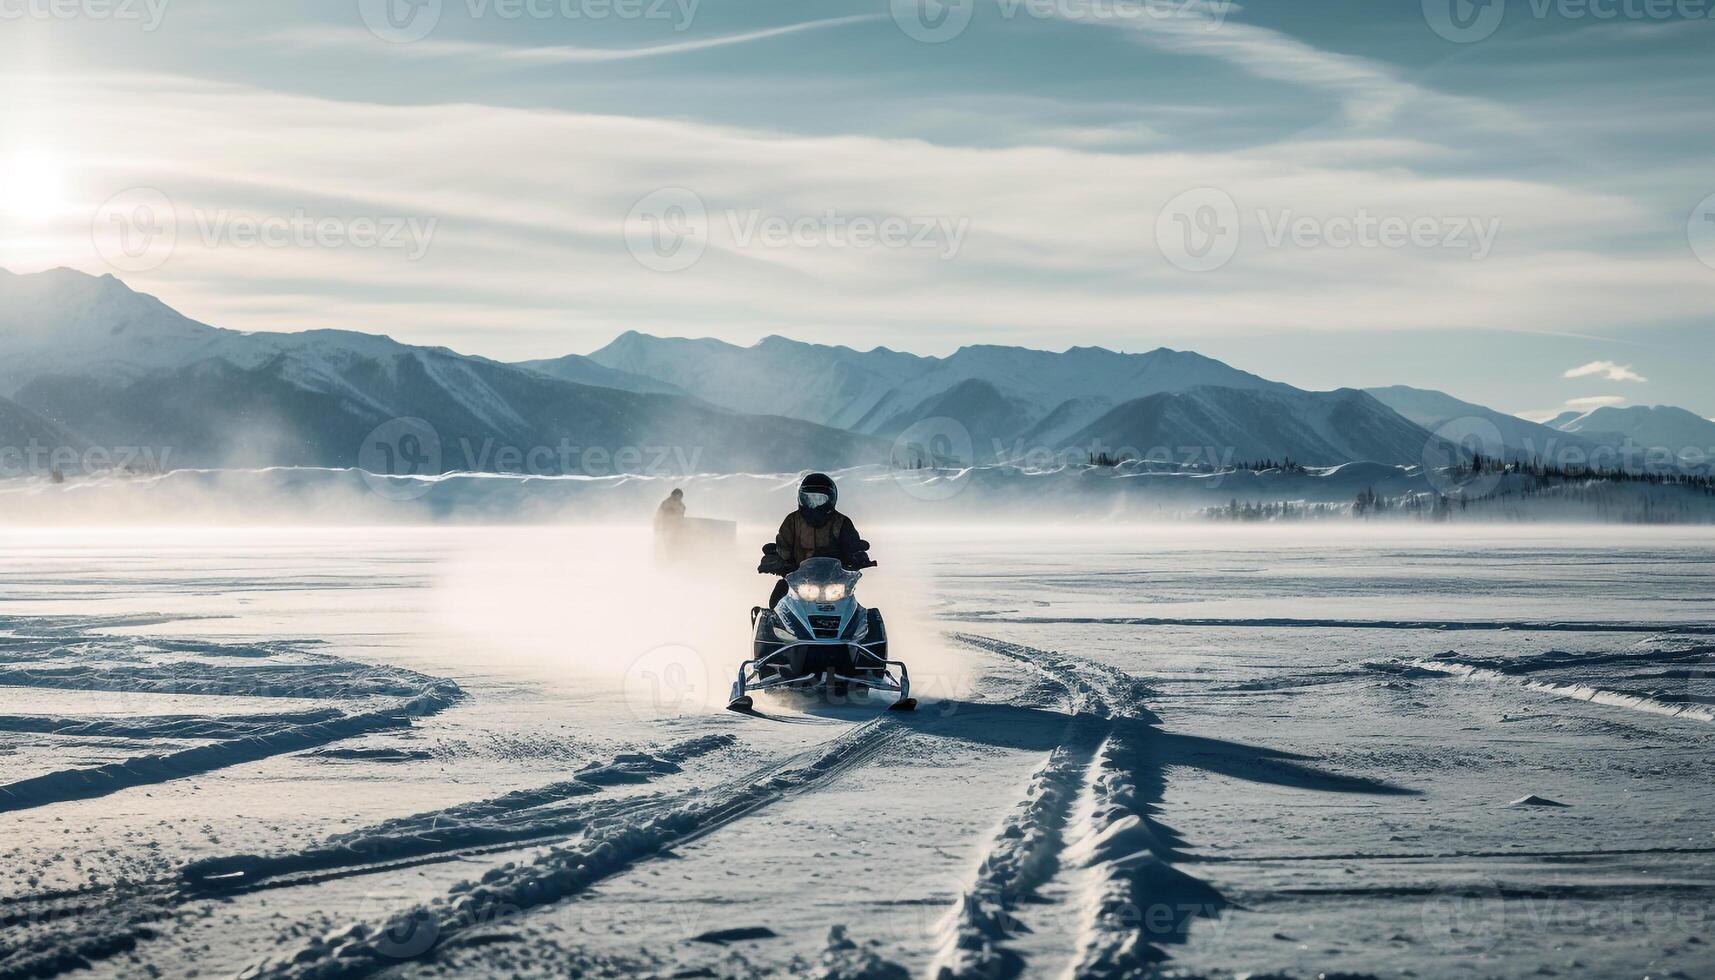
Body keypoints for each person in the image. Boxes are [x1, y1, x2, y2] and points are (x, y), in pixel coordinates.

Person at [760, 473, 872, 606]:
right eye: (810, 498)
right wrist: (775, 559)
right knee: (776, 601)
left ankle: (869, 624)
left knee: (857, 610)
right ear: (802, 499)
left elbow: (851, 544)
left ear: (830, 500)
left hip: (835, 581)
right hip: (798, 580)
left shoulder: (841, 522)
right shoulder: (792, 521)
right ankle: (769, 623)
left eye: (820, 499)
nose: (814, 504)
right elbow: (783, 546)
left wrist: (858, 556)